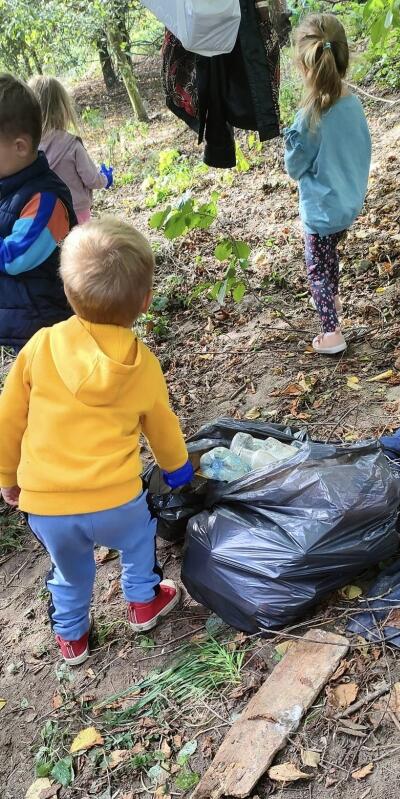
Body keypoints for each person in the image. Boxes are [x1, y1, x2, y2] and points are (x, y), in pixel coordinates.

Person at [0, 217, 194, 665]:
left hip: (48, 506)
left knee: (69, 571)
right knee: (139, 540)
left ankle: (73, 638)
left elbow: (9, 419)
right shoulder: (143, 365)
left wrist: (8, 476)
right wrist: (178, 470)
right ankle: (144, 601)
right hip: (117, 500)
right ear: (145, 301)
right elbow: (162, 427)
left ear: (67, 292)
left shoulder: (40, 347)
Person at [284, 14, 371, 355]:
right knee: (329, 254)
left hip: (322, 212)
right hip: (348, 204)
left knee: (317, 270)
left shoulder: (311, 117)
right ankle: (332, 298)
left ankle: (332, 333)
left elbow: (294, 167)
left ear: (304, 66)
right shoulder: (353, 104)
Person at [0, 73, 76, 353]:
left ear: (20, 147)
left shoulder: (46, 200)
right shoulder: (9, 185)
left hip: (47, 324)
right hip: (21, 320)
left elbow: (16, 257)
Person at [30, 76, 113, 225]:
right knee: (82, 241)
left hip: (48, 216)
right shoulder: (72, 145)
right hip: (78, 212)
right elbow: (92, 179)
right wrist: (106, 179)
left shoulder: (28, 149)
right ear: (62, 108)